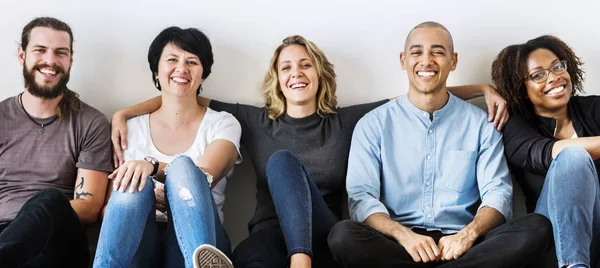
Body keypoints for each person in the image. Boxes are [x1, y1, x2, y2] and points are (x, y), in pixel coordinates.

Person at [112, 34, 508, 268]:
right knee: (252, 257)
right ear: (277, 79)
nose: (296, 74)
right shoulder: (254, 119)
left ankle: (301, 259)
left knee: (285, 162)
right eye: (286, 68)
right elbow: (184, 93)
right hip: (268, 233)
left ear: (319, 74)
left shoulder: (348, 120)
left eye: (305, 65)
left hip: (324, 234)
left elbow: (418, 93)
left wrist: (479, 90)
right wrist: (127, 112)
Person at [327, 21, 553, 268]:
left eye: (437, 51)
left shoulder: (482, 124)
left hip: (464, 247)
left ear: (453, 60)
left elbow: (497, 193)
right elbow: (361, 198)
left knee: (536, 227)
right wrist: (403, 235)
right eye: (416, 52)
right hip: (397, 246)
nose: (426, 61)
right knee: (343, 235)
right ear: (403, 60)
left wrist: (468, 234)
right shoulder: (373, 124)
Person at [92, 26, 241, 268]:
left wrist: (151, 168)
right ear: (156, 72)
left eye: (192, 61)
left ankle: (201, 265)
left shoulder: (223, 123)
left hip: (201, 237)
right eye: (172, 59)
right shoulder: (128, 128)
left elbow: (205, 177)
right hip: (141, 240)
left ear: (202, 76)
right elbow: (112, 208)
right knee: (132, 183)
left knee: (183, 167)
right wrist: (147, 189)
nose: (182, 68)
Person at [0, 17, 113, 267]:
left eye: (60, 53)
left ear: (70, 60)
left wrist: (33, 220)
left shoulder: (90, 122)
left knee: (50, 199)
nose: (50, 61)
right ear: (22, 55)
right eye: (40, 50)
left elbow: (89, 206)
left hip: (58, 242)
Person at [492, 35, 600, 268]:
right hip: (552, 241)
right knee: (572, 156)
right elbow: (548, 152)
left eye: (557, 66)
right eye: (538, 74)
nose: (554, 77)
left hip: (598, 230)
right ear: (521, 88)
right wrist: (478, 89)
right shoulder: (516, 125)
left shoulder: (594, 108)